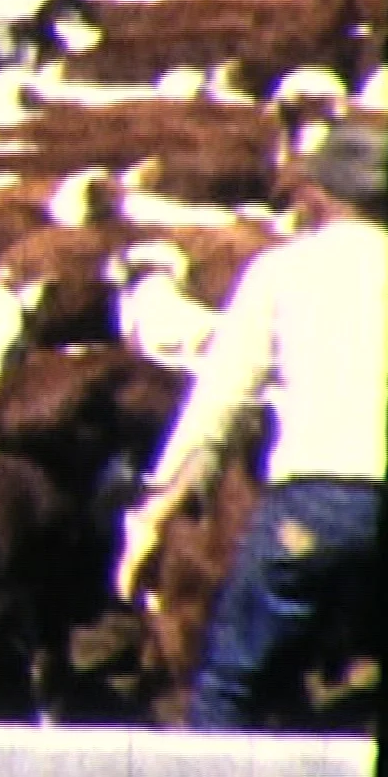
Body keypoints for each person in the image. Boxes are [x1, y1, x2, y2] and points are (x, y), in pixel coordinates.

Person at [116, 122, 386, 730]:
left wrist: (156, 511)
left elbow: (218, 402)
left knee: (231, 685)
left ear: (321, 192)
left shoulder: (283, 271)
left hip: (322, 498)